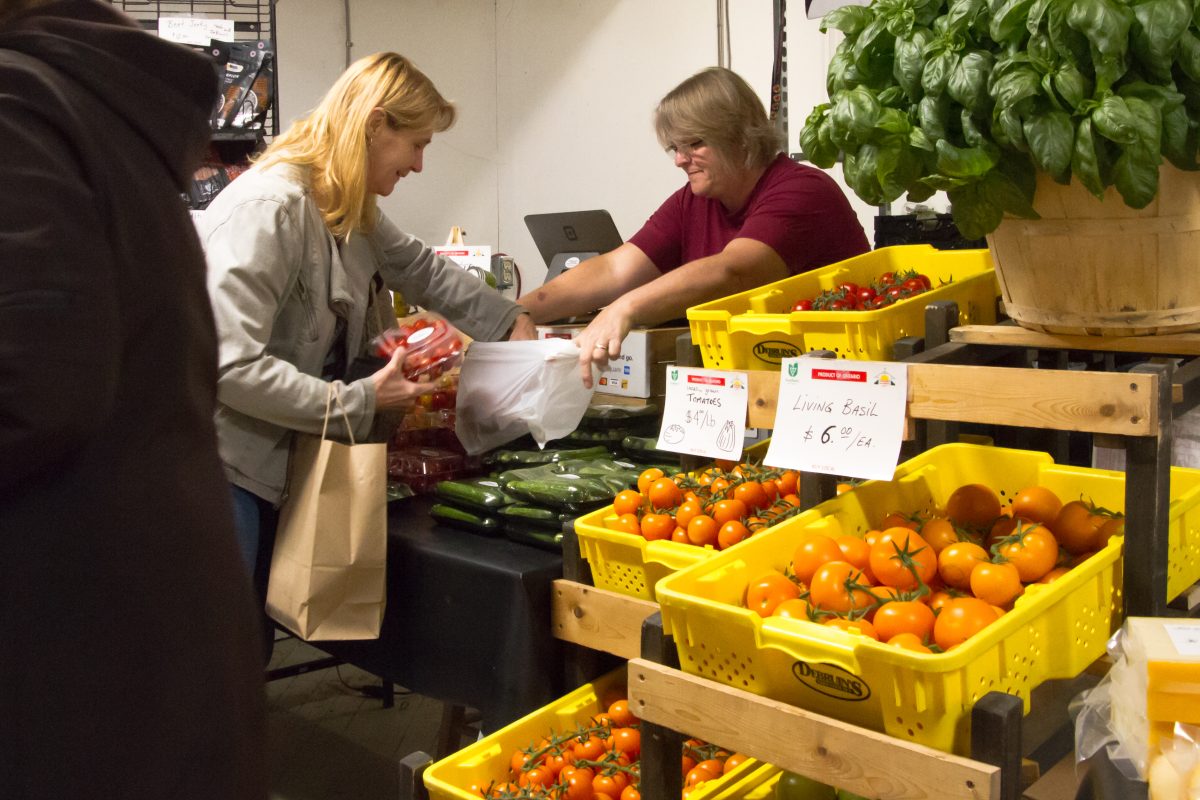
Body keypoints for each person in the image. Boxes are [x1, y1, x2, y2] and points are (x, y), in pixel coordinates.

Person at [0, 1, 265, 798]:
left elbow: (28, 388)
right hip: (136, 642)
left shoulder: (17, 111)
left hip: (67, 665)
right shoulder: (88, 106)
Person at [200, 52, 536, 607]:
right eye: (419, 144)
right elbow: (228, 366)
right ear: (376, 123)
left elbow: (421, 269)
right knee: (222, 647)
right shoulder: (269, 209)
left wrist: (511, 319)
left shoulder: (349, 206)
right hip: (224, 469)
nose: (421, 164)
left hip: (277, 461)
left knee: (246, 643)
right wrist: (359, 399)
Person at [518, 66, 870, 385]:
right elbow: (615, 268)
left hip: (835, 383)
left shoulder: (801, 190)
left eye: (695, 143)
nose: (679, 160)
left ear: (740, 135)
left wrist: (624, 308)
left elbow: (733, 270)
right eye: (675, 147)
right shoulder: (695, 200)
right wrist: (514, 313)